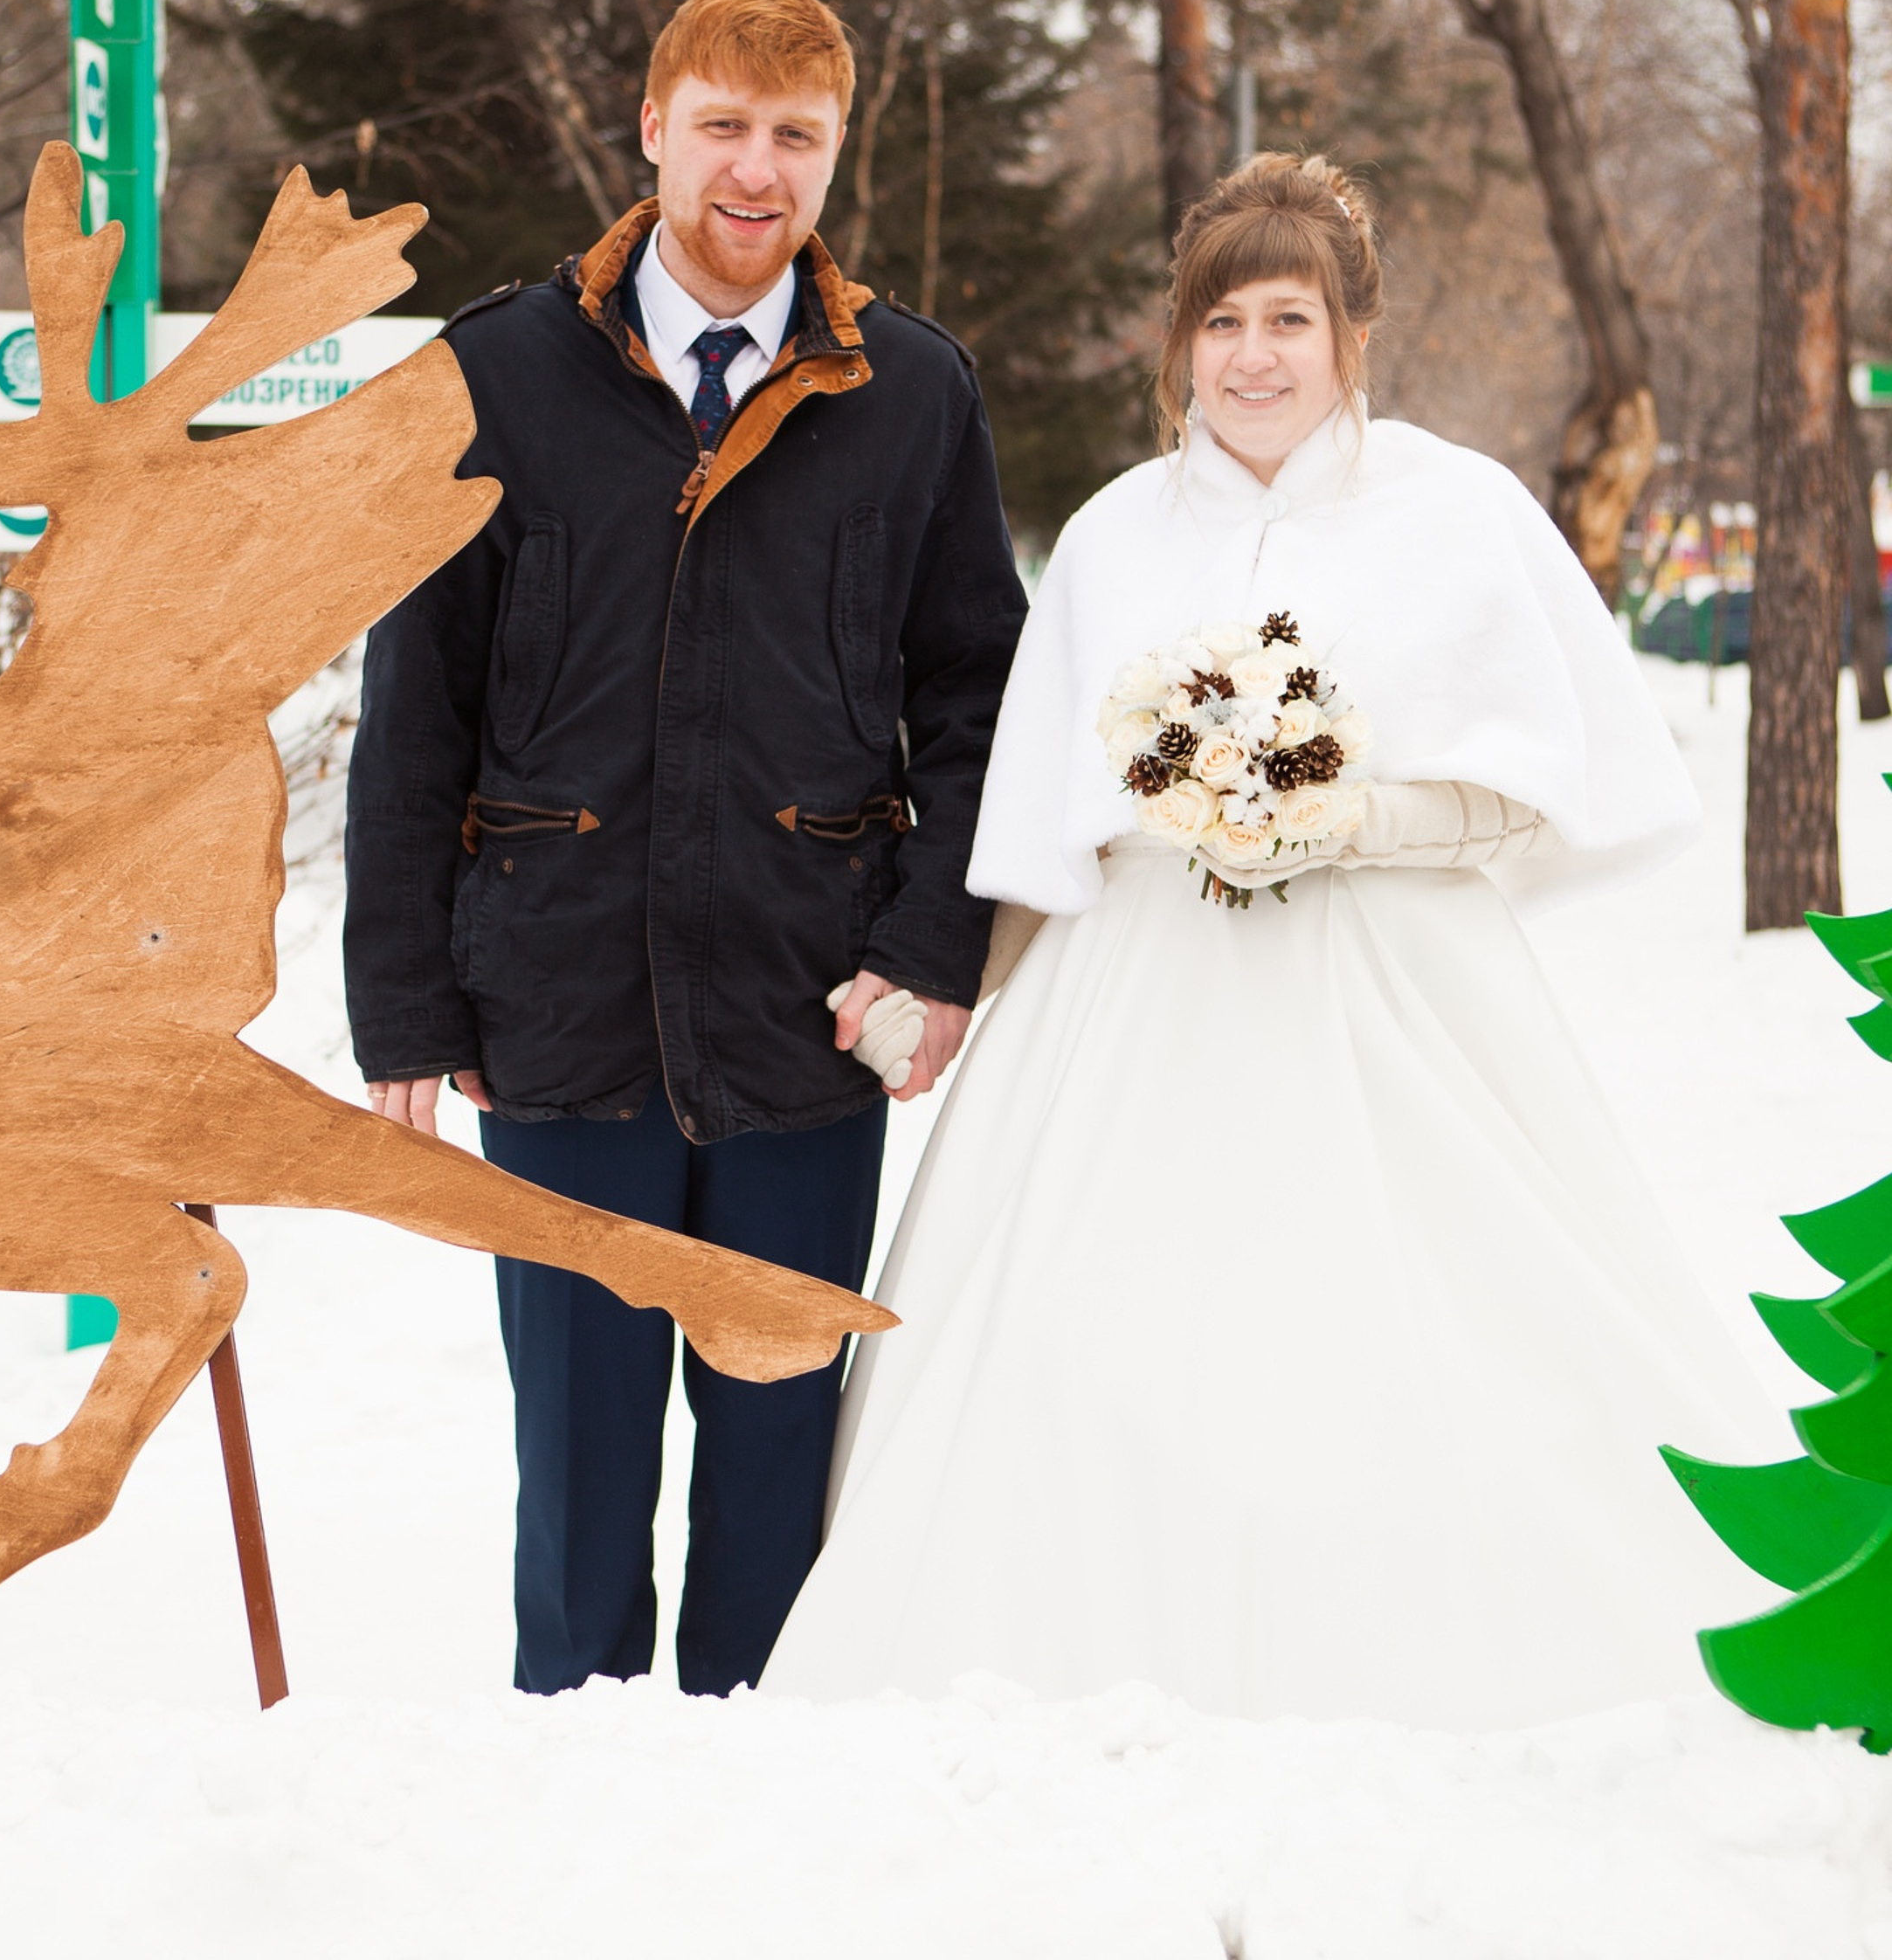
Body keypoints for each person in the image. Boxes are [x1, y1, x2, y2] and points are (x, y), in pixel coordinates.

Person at [762, 153, 1777, 1729]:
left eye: (1289, 318)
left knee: (1431, 1326)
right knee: (1084, 1331)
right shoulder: (1112, 533)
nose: (1252, 355)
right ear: (1181, 346)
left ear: (1350, 335)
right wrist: (957, 987)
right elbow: (1046, 817)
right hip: (1133, 999)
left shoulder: (1457, 512)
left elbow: (1526, 800)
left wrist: (1343, 818)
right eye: (1221, 320)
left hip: (1388, 989)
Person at [343, 0, 1027, 1699]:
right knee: (573, 1469)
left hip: (807, 1010)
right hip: (554, 1014)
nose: (755, 168)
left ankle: (758, 1792)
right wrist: (408, 1007)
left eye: (794, 135)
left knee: (775, 1461)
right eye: (722, 123)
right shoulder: (494, 372)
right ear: (650, 130)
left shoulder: (913, 392)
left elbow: (975, 702)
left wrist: (931, 954)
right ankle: (567, 1779)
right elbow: (413, 705)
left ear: (832, 154)